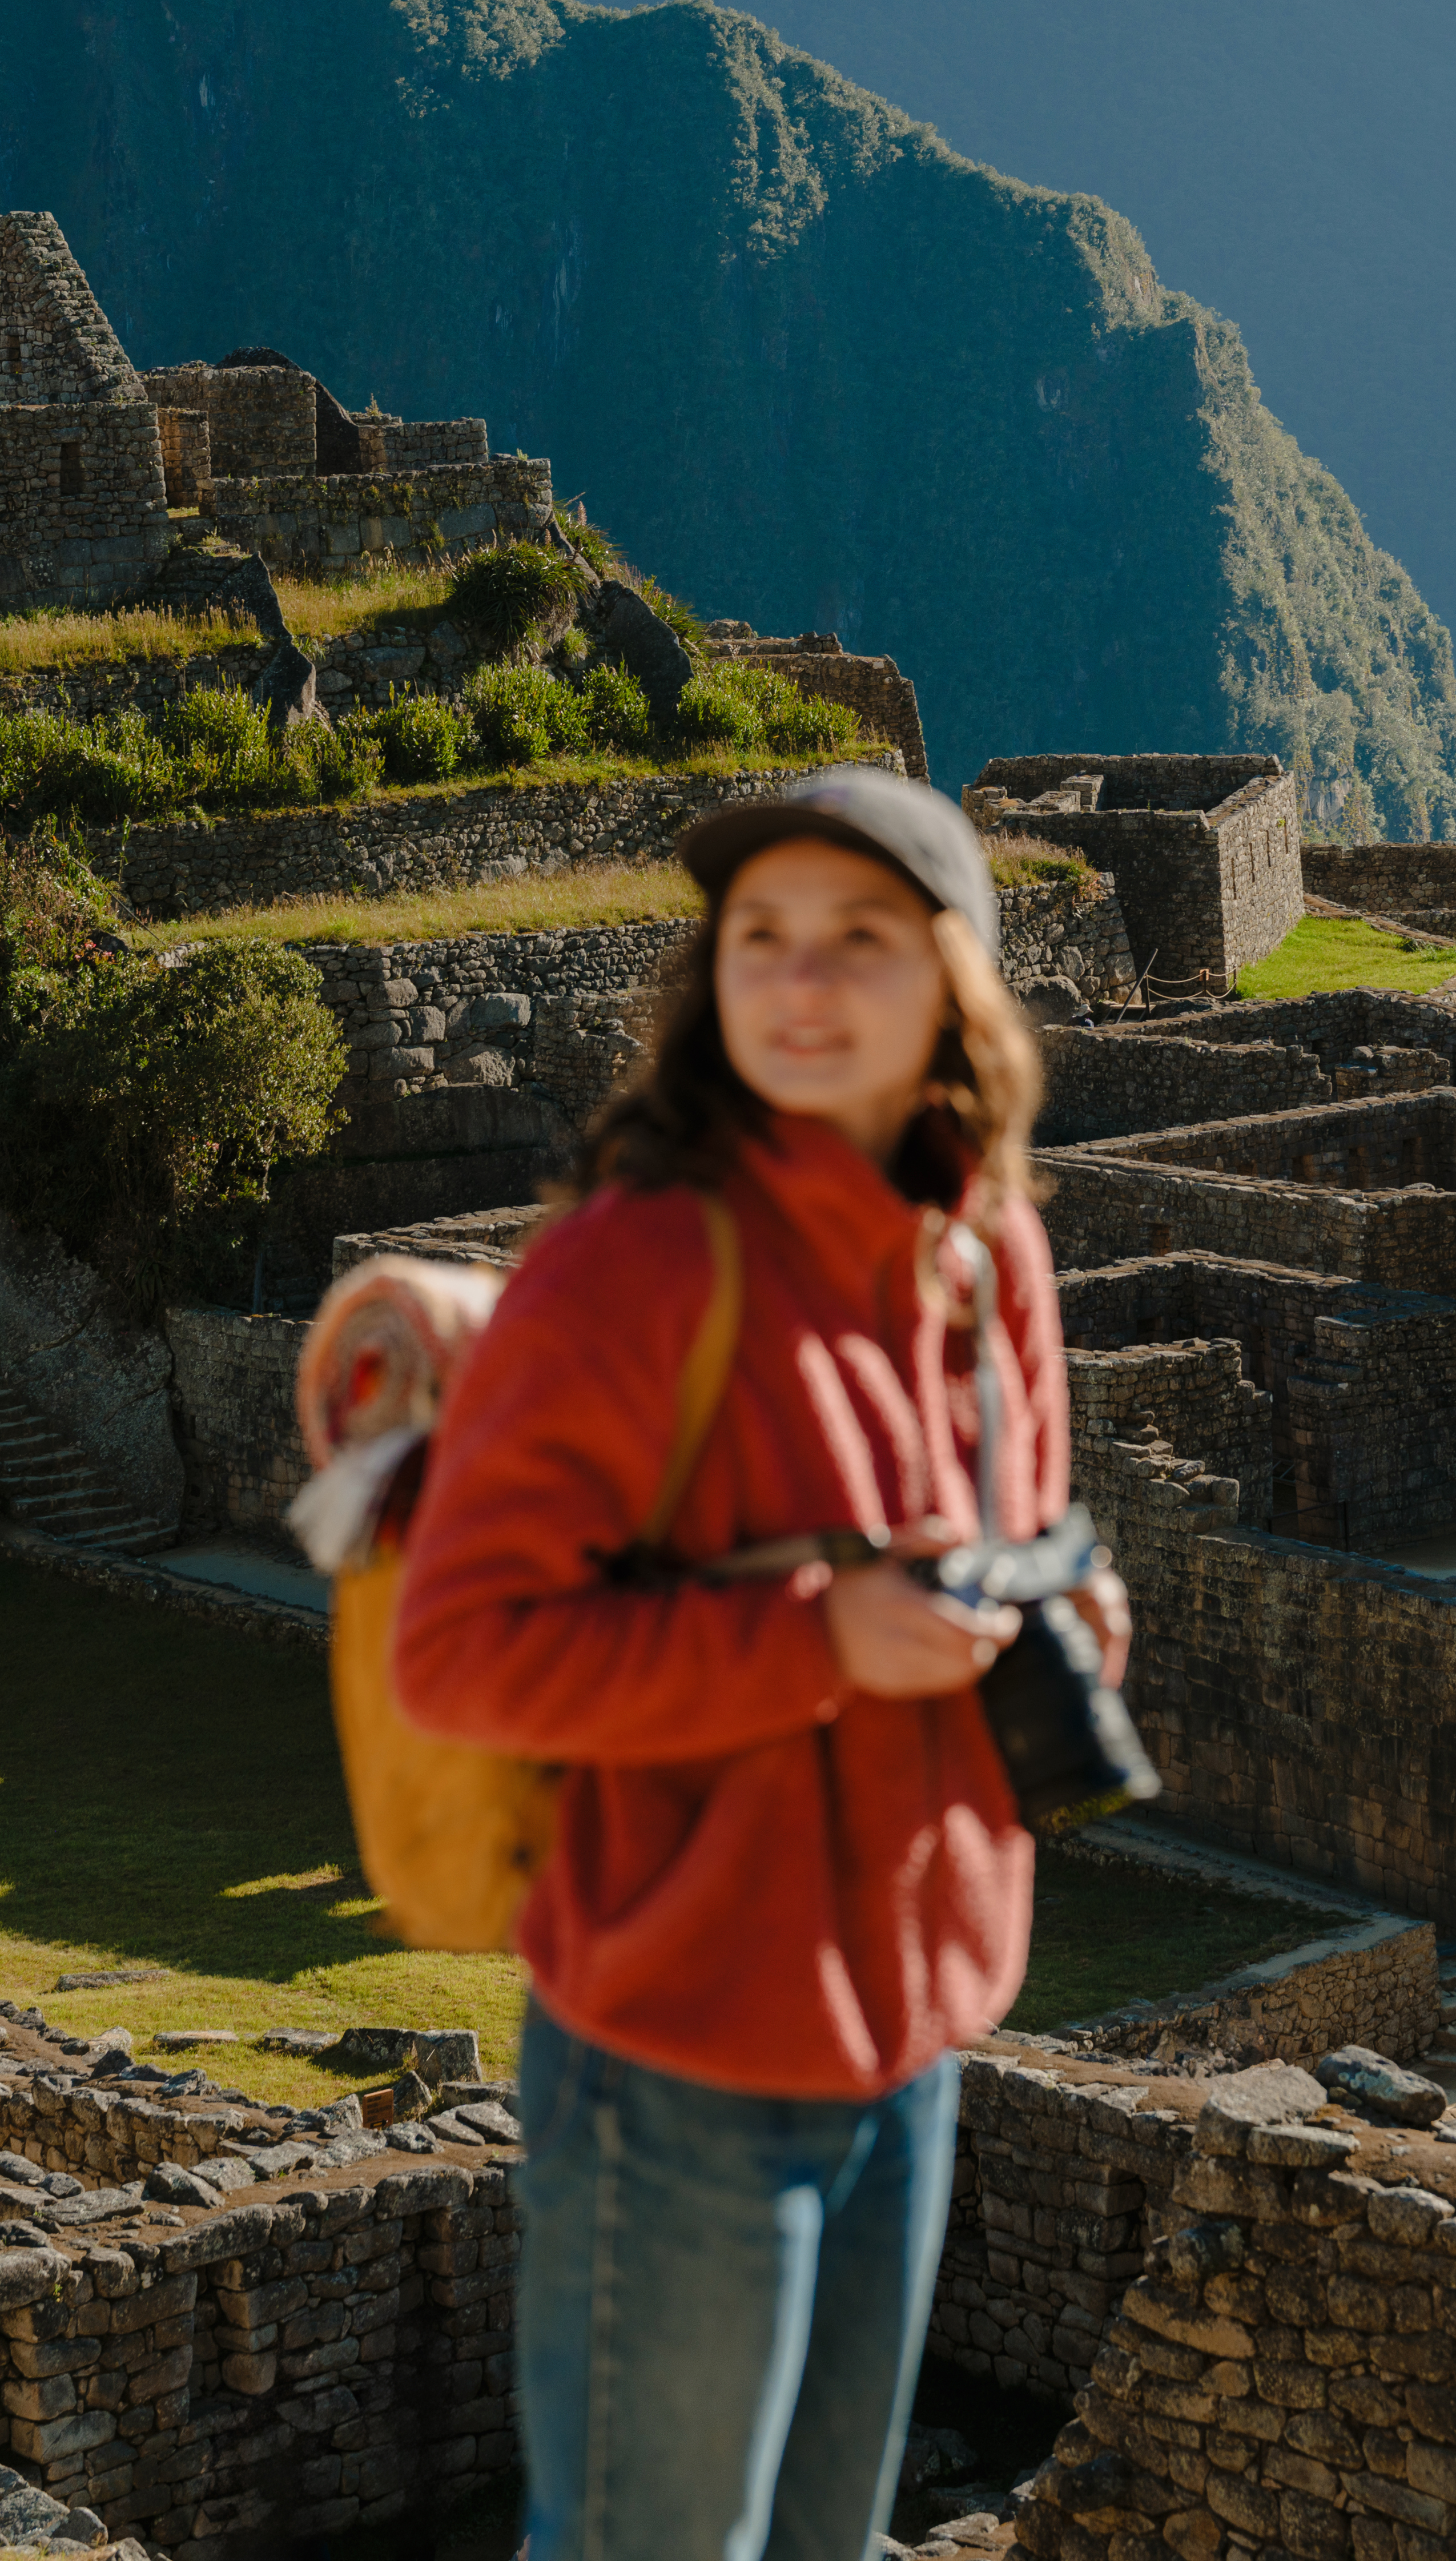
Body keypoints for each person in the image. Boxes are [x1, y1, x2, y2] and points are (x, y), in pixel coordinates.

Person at [389, 765, 1125, 2560]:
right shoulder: (633, 1271)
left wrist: (1071, 1608)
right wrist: (814, 1641)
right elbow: (462, 1650)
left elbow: (1017, 1511)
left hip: (916, 2030)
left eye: (855, 940)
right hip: (685, 2047)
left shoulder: (982, 1253)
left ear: (950, 977)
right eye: (760, 939)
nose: (800, 984)